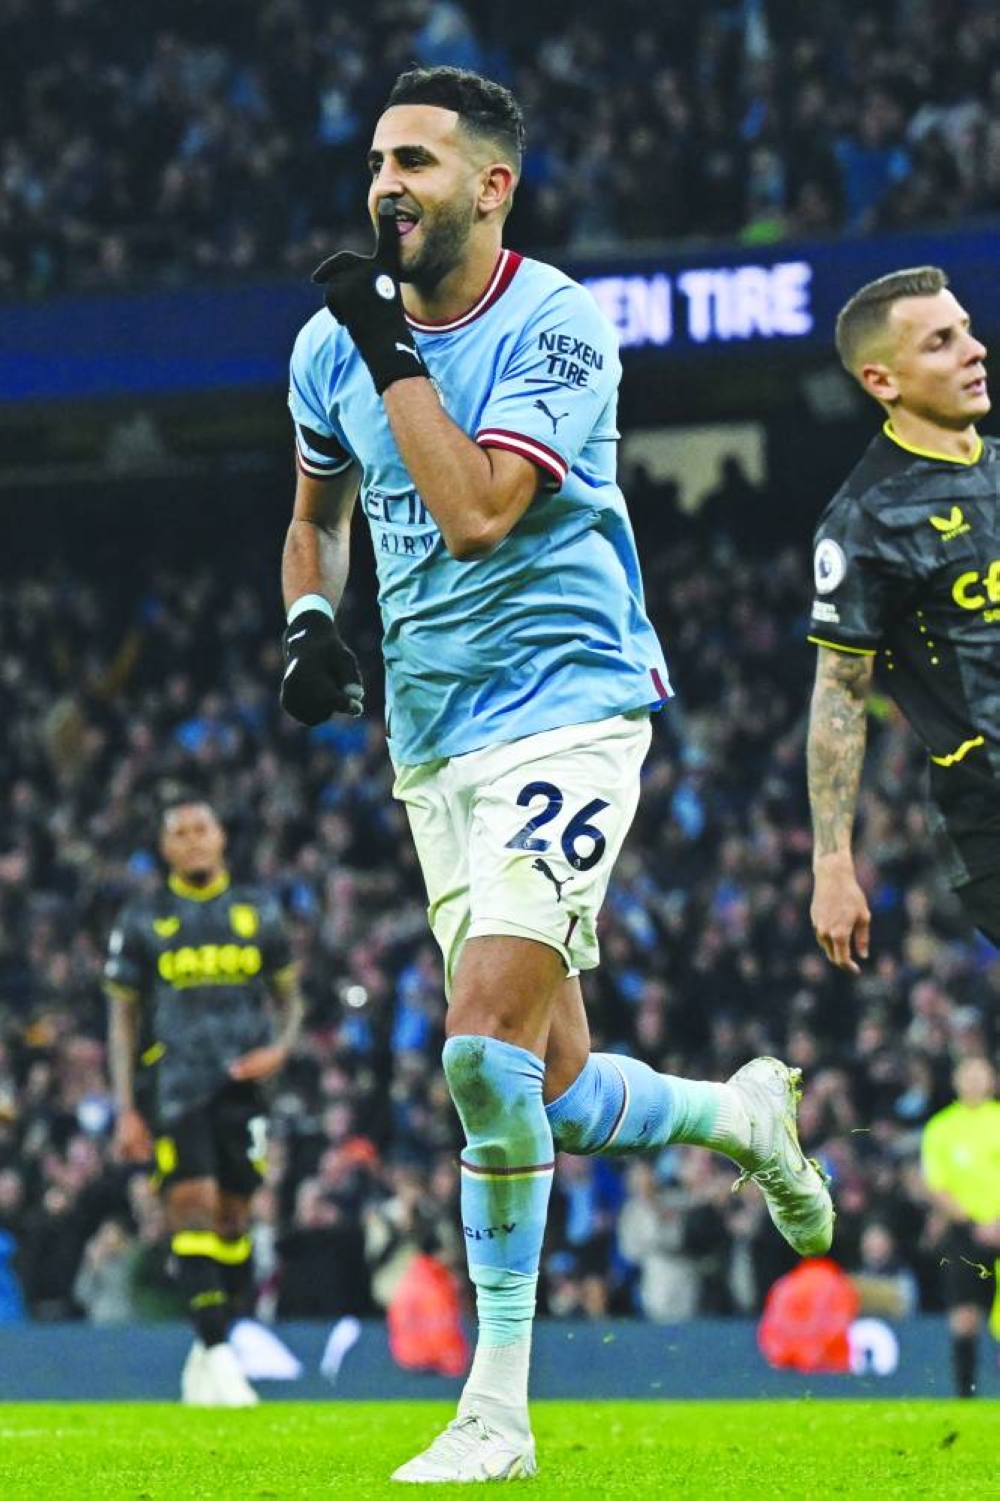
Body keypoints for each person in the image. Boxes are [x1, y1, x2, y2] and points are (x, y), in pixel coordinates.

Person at [281, 65, 832, 1483]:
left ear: (492, 186)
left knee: (477, 1050)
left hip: (570, 709)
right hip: (435, 743)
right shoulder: (327, 349)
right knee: (559, 1091)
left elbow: (475, 512)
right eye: (377, 162)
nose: (386, 186)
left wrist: (384, 345)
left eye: (417, 162)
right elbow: (316, 518)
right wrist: (312, 620)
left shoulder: (559, 324)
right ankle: (740, 1115)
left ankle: (498, 1411)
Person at [806, 265, 999, 973]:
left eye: (967, 331)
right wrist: (832, 862)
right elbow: (841, 690)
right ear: (881, 380)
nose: (974, 351)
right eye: (941, 342)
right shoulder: (867, 520)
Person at [104, 796, 303, 1406]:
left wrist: (280, 1050)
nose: (192, 840)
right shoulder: (143, 918)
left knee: (235, 1220)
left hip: (244, 1087)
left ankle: (209, 1347)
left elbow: (291, 997)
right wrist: (126, 1106)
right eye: (180, 832)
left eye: (201, 829)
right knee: (191, 1207)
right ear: (165, 848)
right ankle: (219, 1351)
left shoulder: (258, 911)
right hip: (175, 1085)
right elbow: (122, 1018)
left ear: (220, 839)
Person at [920, 1056, 1000, 1397]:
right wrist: (973, 1222)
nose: (974, 1081)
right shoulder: (941, 1128)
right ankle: (964, 1393)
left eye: (981, 1074)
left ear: (992, 1080)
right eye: (968, 1075)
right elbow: (935, 1185)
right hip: (963, 1231)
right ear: (956, 1081)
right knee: (964, 1314)